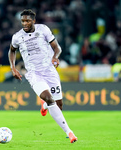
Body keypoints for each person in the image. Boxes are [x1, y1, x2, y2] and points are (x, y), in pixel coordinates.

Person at [8, 9, 77, 143]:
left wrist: (55, 57)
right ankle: (70, 133)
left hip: (50, 71)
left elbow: (57, 48)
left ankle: (44, 106)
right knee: (49, 98)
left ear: (34, 20)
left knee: (59, 104)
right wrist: (13, 67)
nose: (25, 23)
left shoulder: (43, 30)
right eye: (23, 21)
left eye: (27, 20)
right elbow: (11, 51)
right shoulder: (17, 37)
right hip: (34, 73)